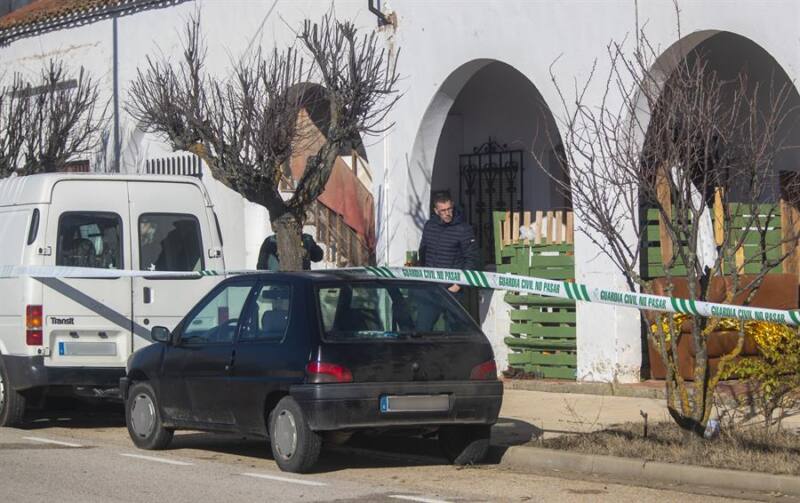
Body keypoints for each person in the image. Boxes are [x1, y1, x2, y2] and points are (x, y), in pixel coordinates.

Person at [417, 191, 480, 329]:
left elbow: (472, 259)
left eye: (449, 209)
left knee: (454, 332)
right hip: (430, 289)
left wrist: (457, 286)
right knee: (422, 329)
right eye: (443, 210)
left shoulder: (464, 229)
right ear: (436, 211)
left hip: (452, 291)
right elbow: (423, 253)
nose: (447, 213)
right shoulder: (429, 226)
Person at [257, 232, 324, 271]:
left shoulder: (306, 239)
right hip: (277, 283)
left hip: (302, 281)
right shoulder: (271, 241)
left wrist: (306, 252)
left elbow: (318, 257)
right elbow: (261, 267)